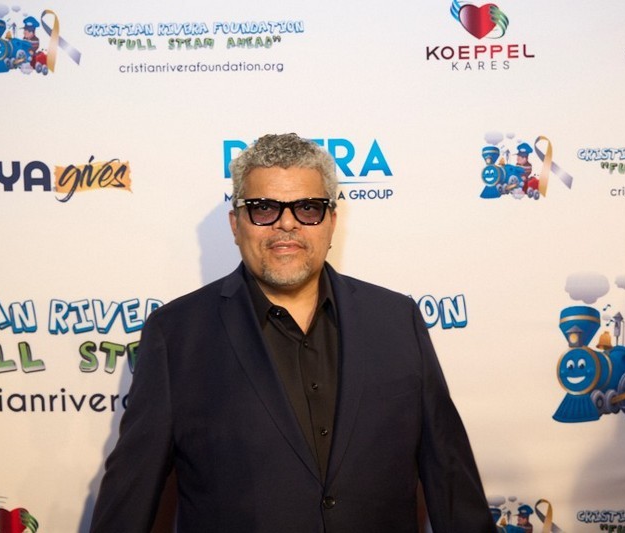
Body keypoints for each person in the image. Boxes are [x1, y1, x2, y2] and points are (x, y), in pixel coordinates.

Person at [89, 133, 495, 532]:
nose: (286, 224)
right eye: (264, 208)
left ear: (332, 222)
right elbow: (131, 494)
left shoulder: (396, 320)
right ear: (235, 224)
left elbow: (451, 478)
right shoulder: (176, 335)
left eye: (308, 208)